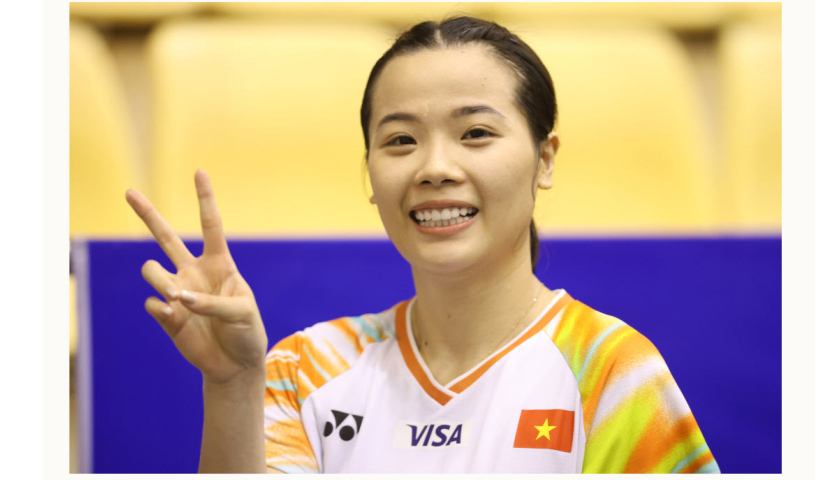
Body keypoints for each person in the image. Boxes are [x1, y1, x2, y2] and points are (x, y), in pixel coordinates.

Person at [125, 16, 719, 474]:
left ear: (545, 159)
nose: (435, 168)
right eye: (401, 140)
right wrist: (232, 386)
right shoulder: (305, 369)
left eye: (475, 133)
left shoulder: (612, 370)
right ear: (370, 174)